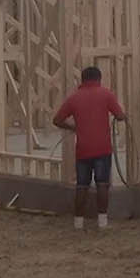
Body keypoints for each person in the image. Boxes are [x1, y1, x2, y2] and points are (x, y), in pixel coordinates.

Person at [54, 66, 126, 229]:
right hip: (103, 149)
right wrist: (123, 116)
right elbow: (120, 116)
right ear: (99, 79)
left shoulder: (74, 98)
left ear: (83, 80)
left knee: (82, 186)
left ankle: (78, 223)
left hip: (83, 150)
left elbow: (57, 120)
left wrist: (73, 127)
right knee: (102, 184)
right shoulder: (106, 94)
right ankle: (102, 222)